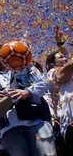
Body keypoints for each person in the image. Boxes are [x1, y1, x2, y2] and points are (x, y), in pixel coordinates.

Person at [0, 44, 56, 156]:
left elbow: (45, 82)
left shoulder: (26, 67)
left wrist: (27, 92)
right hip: (8, 130)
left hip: (36, 123)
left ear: (4, 53)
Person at [46, 27, 72, 156]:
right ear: (53, 63)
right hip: (70, 126)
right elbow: (69, 67)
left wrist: (60, 43)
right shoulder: (53, 73)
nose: (65, 58)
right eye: (61, 57)